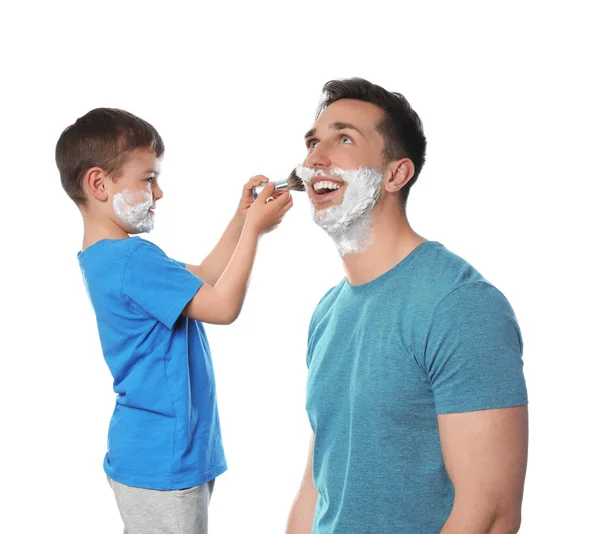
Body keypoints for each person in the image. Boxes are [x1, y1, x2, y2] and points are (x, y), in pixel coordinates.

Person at [286, 78, 528, 534]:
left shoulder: (461, 307)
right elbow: (321, 484)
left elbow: (491, 513)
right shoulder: (327, 312)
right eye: (312, 142)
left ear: (397, 174)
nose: (315, 157)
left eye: (343, 139)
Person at [55, 108, 293, 534]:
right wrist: (254, 232)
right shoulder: (133, 259)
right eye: (148, 178)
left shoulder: (109, 258)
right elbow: (222, 307)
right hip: (165, 459)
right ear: (98, 183)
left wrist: (242, 218)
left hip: (156, 453)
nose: (159, 192)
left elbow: (202, 277)